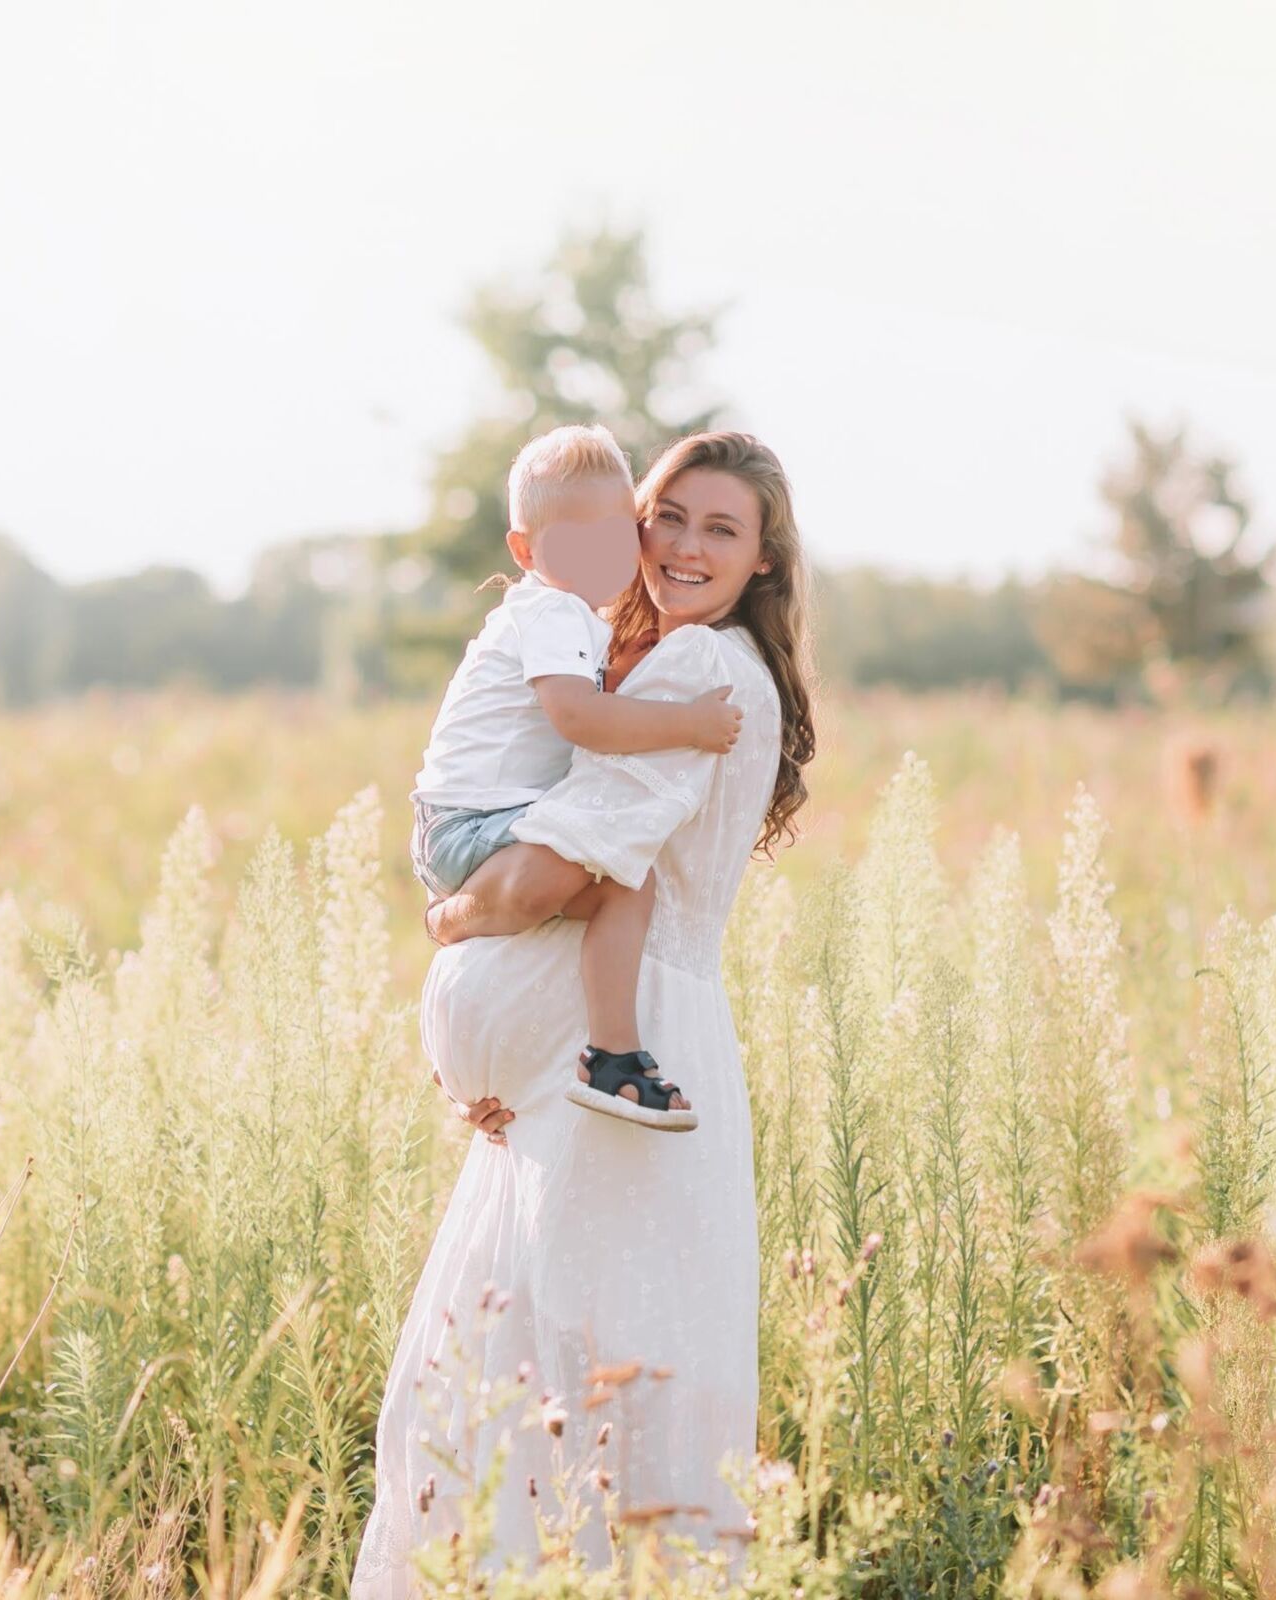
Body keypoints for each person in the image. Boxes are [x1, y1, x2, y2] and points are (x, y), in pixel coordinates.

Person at [352, 432, 815, 1597]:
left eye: (722, 528)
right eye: (669, 515)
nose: (682, 545)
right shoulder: (692, 668)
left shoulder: (684, 676)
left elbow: (559, 871)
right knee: (610, 1359)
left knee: (565, 1373)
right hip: (601, 1061)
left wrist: (451, 925)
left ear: (764, 559)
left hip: (610, 1059)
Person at [411, 423, 741, 1131]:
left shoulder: (576, 619)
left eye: (617, 535)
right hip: (469, 823)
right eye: (576, 541)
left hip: (481, 822)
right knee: (623, 873)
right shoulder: (553, 611)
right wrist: (688, 725)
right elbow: (579, 718)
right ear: (526, 551)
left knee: (621, 882)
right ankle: (614, 1052)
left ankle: (611, 1052)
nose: (604, 557)